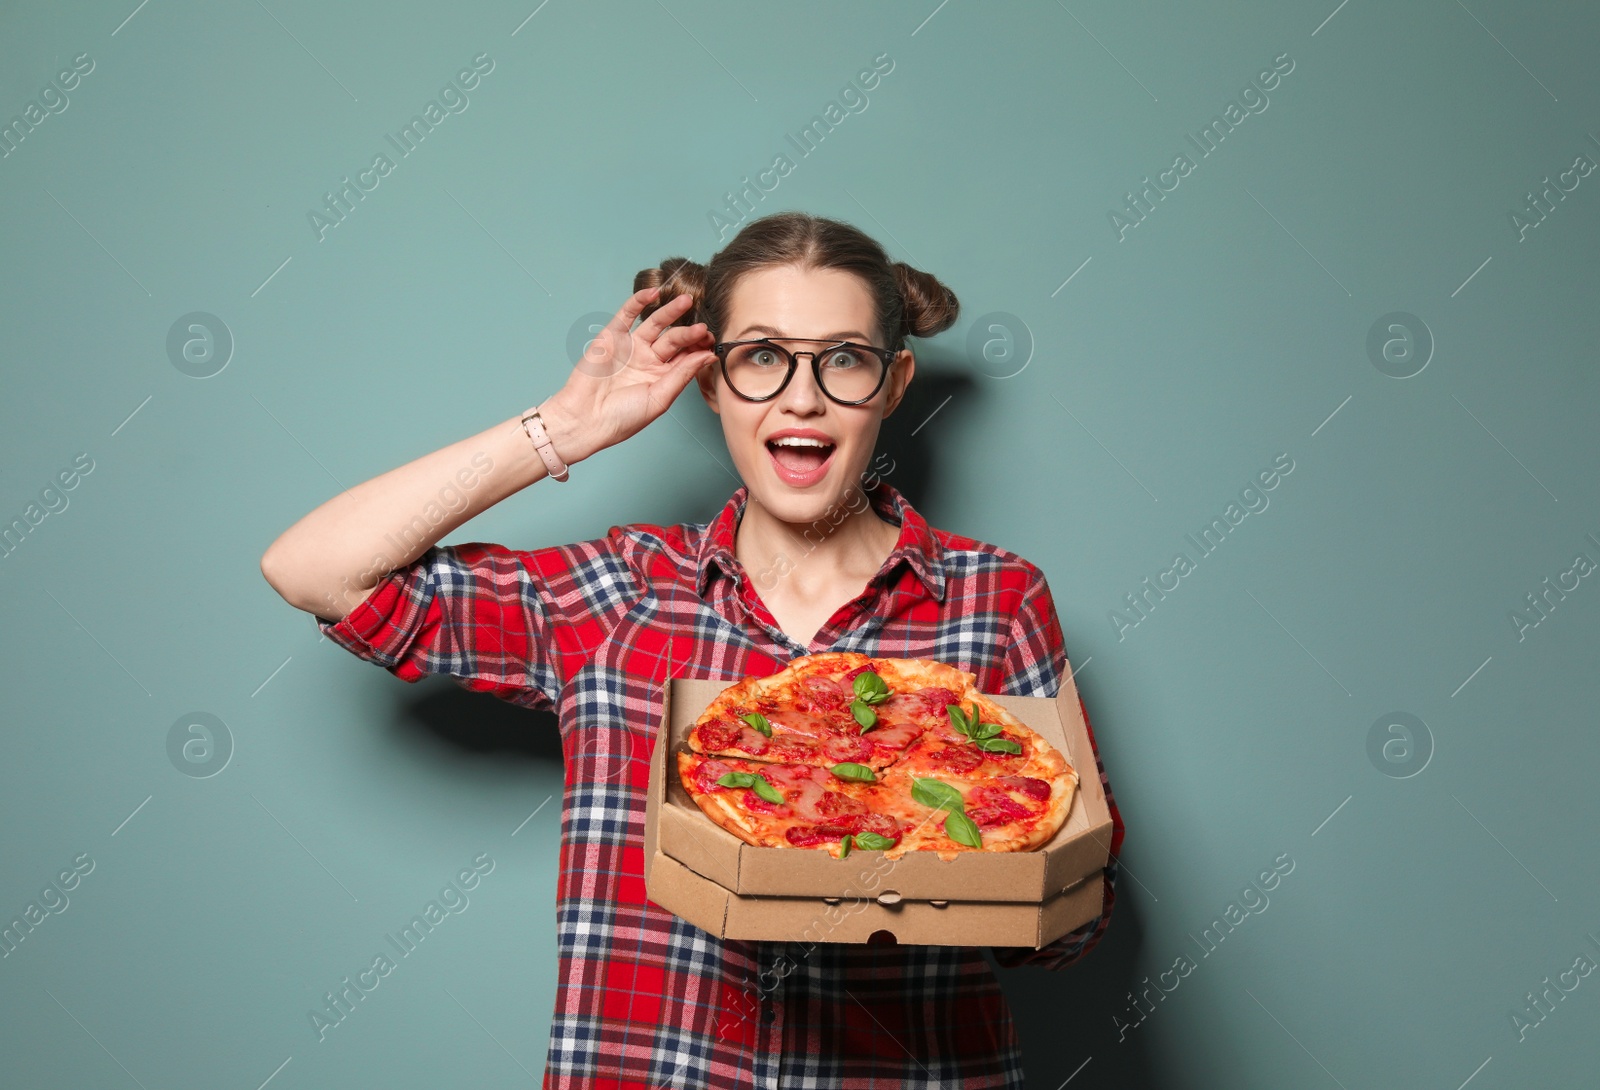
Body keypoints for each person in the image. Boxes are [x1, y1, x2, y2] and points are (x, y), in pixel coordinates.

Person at [260, 211, 1124, 1088]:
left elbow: (1074, 929)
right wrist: (564, 429)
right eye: (761, 357)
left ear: (893, 383)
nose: (802, 397)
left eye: (844, 359)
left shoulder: (995, 600)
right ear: (711, 382)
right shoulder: (616, 597)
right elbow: (317, 569)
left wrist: (960, 869)